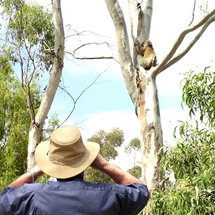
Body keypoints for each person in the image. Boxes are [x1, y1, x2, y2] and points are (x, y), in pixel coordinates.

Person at [0, 126, 150, 215]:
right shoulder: (111, 196)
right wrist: (104, 165)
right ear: (87, 162)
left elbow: (4, 198)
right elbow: (141, 191)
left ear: (51, 165)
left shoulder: (32, 196)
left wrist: (38, 170)